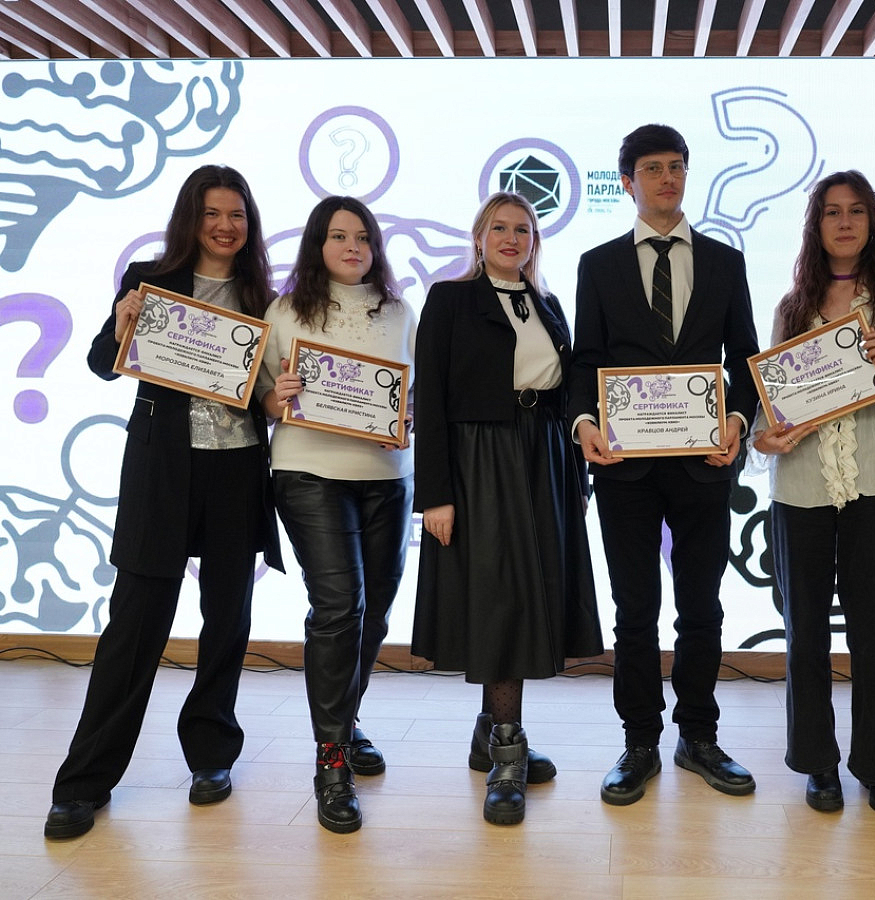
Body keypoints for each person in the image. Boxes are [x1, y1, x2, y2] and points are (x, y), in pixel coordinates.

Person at [45, 164, 284, 840]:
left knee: (227, 619)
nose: (225, 226)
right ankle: (83, 782)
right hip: (162, 471)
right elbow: (101, 361)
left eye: (236, 215)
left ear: (249, 224)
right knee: (135, 625)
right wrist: (122, 323)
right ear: (190, 218)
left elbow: (267, 392)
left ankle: (211, 755)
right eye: (212, 213)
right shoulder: (150, 280)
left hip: (237, 469)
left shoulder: (265, 296)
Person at [567, 123, 760, 806]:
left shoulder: (725, 261)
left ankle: (698, 736)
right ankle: (639, 742)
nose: (667, 178)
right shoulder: (598, 264)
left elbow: (745, 358)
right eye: (652, 168)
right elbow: (585, 361)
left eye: (677, 166)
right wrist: (584, 423)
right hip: (624, 465)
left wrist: (739, 421)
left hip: (705, 462)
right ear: (628, 182)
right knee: (634, 610)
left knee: (701, 606)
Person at [751, 170, 875, 817]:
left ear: (871, 223)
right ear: (816, 225)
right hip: (800, 489)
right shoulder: (792, 306)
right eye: (831, 211)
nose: (843, 222)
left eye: (855, 211)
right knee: (805, 633)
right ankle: (818, 764)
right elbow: (771, 405)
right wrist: (763, 437)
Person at [411, 190, 602, 826]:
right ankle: (508, 752)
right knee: (499, 600)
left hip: (544, 458)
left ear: (534, 242)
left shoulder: (549, 305)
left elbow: (569, 395)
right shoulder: (449, 299)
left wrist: (576, 480)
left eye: (523, 229)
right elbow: (430, 400)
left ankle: (488, 735)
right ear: (479, 236)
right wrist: (435, 494)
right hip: (478, 461)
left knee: (526, 596)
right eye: (500, 227)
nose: (512, 238)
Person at [257, 196, 416, 834]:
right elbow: (263, 396)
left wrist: (407, 416)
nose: (353, 247)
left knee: (374, 612)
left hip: (386, 478)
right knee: (338, 607)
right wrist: (276, 396)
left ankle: (345, 725)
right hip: (308, 472)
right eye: (338, 236)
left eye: (363, 237)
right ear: (317, 246)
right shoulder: (284, 310)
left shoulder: (400, 311)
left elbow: (415, 393)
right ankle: (331, 762)